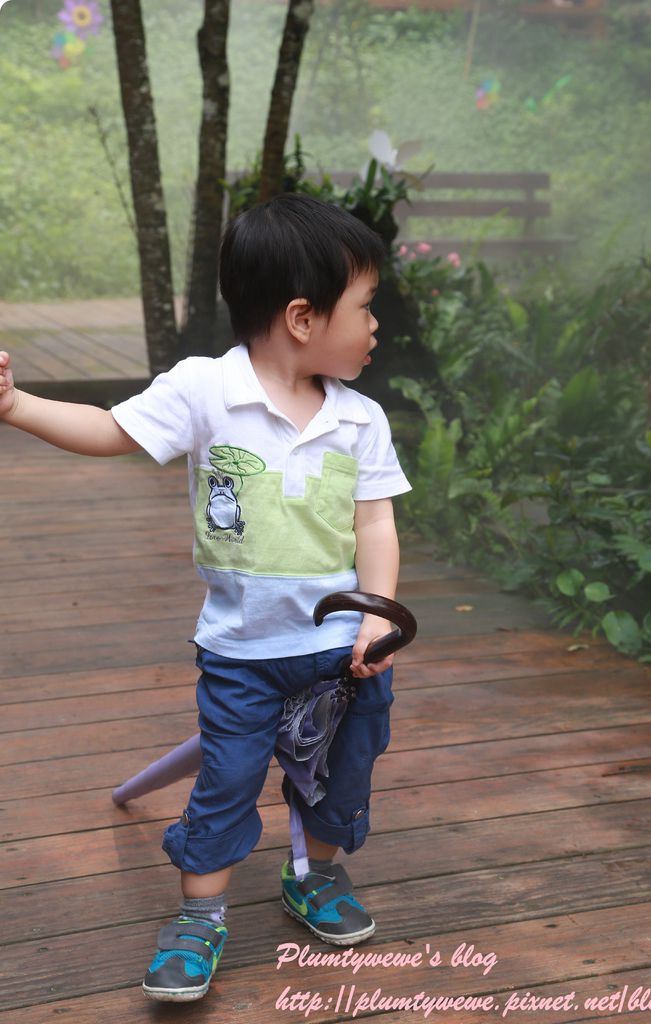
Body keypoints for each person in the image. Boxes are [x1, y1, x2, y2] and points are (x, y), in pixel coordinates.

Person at [0, 193, 412, 1003]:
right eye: (365, 308)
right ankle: (199, 917)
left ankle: (314, 876)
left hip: (343, 657)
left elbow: (375, 524)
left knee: (344, 773)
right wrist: (14, 406)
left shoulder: (360, 420)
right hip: (242, 658)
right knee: (225, 782)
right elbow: (109, 430)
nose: (375, 327)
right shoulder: (206, 389)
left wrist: (375, 615)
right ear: (302, 317)